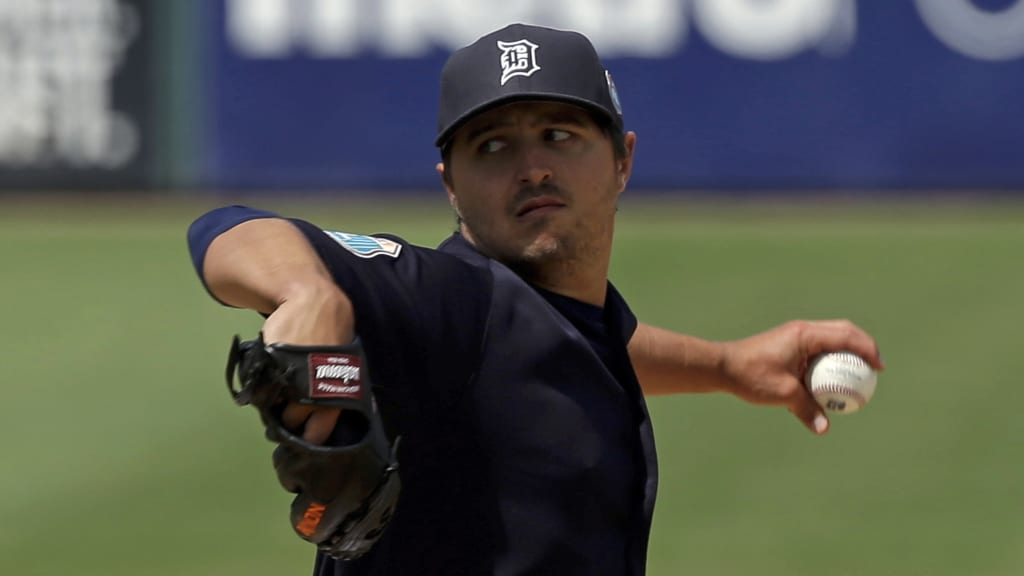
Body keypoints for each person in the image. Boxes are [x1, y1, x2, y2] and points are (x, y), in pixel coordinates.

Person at [187, 23, 883, 576]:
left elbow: (581, 352)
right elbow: (228, 231)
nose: (533, 166)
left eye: (559, 135)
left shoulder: (552, 323)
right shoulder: (449, 302)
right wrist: (309, 292)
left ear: (622, 160)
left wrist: (727, 366)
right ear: (450, 185)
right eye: (492, 146)